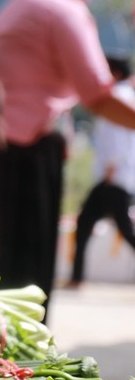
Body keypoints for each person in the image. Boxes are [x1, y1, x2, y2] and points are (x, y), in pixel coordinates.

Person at [0, 0, 135, 317]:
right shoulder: (63, 9)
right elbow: (98, 95)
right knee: (28, 275)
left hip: (0, 147)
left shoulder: (24, 1)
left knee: (4, 264)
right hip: (28, 150)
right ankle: (20, 361)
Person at [70, 54, 135, 286]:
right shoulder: (124, 95)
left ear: (115, 72)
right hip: (116, 175)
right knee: (90, 224)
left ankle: (77, 277)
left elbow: (117, 137)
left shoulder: (117, 96)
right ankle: (76, 277)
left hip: (113, 176)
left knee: (94, 224)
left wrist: (110, 168)